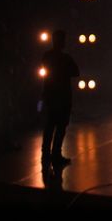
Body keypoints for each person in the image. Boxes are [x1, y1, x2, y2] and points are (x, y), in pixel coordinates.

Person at [39, 30, 79, 170]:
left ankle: (46, 153)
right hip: (63, 96)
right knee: (60, 127)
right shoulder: (65, 58)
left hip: (51, 95)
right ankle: (56, 154)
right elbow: (76, 72)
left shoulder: (47, 56)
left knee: (50, 125)